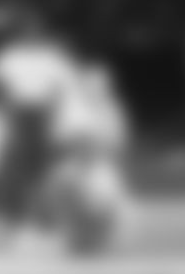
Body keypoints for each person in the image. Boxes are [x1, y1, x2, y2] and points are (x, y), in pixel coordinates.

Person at [0, 5, 82, 245]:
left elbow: (64, 88)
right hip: (17, 112)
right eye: (25, 29)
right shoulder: (8, 57)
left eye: (35, 29)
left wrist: (59, 117)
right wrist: (3, 110)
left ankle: (47, 219)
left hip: (45, 113)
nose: (30, 33)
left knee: (46, 169)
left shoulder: (52, 56)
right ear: (19, 32)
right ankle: (12, 219)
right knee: (14, 168)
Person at [44, 41, 132, 254]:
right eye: (91, 84)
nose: (96, 88)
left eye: (101, 84)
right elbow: (65, 139)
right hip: (77, 165)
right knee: (64, 182)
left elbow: (116, 141)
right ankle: (77, 237)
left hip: (100, 165)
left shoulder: (111, 109)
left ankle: (98, 238)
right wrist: (84, 150)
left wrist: (98, 150)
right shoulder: (72, 107)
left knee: (106, 196)